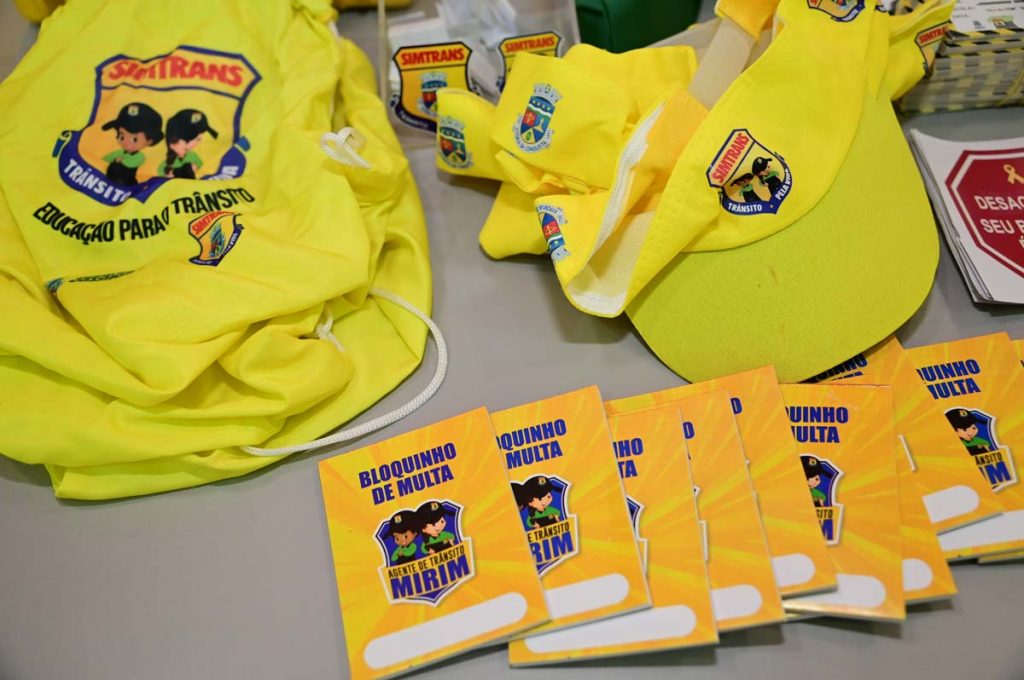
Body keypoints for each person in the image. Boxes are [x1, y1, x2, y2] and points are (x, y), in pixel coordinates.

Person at [101, 102, 163, 187]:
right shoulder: (120, 152)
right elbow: (106, 158)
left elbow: (132, 163)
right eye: (122, 137)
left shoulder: (139, 156)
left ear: (150, 141)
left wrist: (120, 161)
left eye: (135, 139)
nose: (126, 143)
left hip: (127, 183)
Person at [159, 109, 218, 179]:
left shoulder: (193, 157)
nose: (200, 140)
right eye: (197, 139)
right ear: (173, 143)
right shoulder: (163, 167)